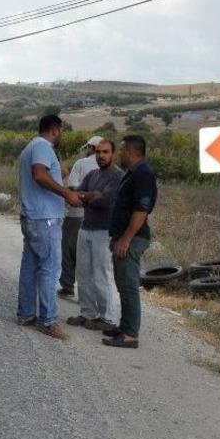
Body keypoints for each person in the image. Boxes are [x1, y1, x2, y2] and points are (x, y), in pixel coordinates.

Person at [16, 115, 82, 340]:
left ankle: (26, 314)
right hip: (45, 219)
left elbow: (47, 174)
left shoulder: (31, 147)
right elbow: (40, 175)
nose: (61, 134)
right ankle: (48, 320)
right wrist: (67, 193)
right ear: (55, 130)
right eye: (61, 131)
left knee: (31, 267)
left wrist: (61, 174)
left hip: (33, 217)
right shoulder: (43, 146)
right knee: (50, 269)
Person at [103, 135, 157, 349]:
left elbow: (141, 209)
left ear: (132, 151)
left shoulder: (143, 174)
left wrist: (126, 239)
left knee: (128, 285)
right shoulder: (132, 173)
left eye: (123, 150)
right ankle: (124, 327)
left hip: (133, 238)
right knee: (122, 283)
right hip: (123, 236)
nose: (120, 154)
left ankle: (130, 334)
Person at [66, 139, 123, 331]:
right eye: (98, 152)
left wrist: (86, 197)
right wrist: (90, 196)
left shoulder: (117, 177)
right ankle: (88, 313)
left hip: (104, 231)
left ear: (113, 154)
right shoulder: (91, 174)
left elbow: (105, 200)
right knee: (83, 273)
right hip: (86, 227)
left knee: (101, 275)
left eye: (105, 152)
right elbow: (77, 196)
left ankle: (107, 318)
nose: (101, 155)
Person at [58, 136, 104, 297]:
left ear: (91, 148)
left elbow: (71, 185)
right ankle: (88, 293)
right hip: (97, 217)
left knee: (68, 249)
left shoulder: (81, 163)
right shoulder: (109, 168)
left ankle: (67, 286)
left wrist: (85, 195)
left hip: (76, 214)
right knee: (90, 255)